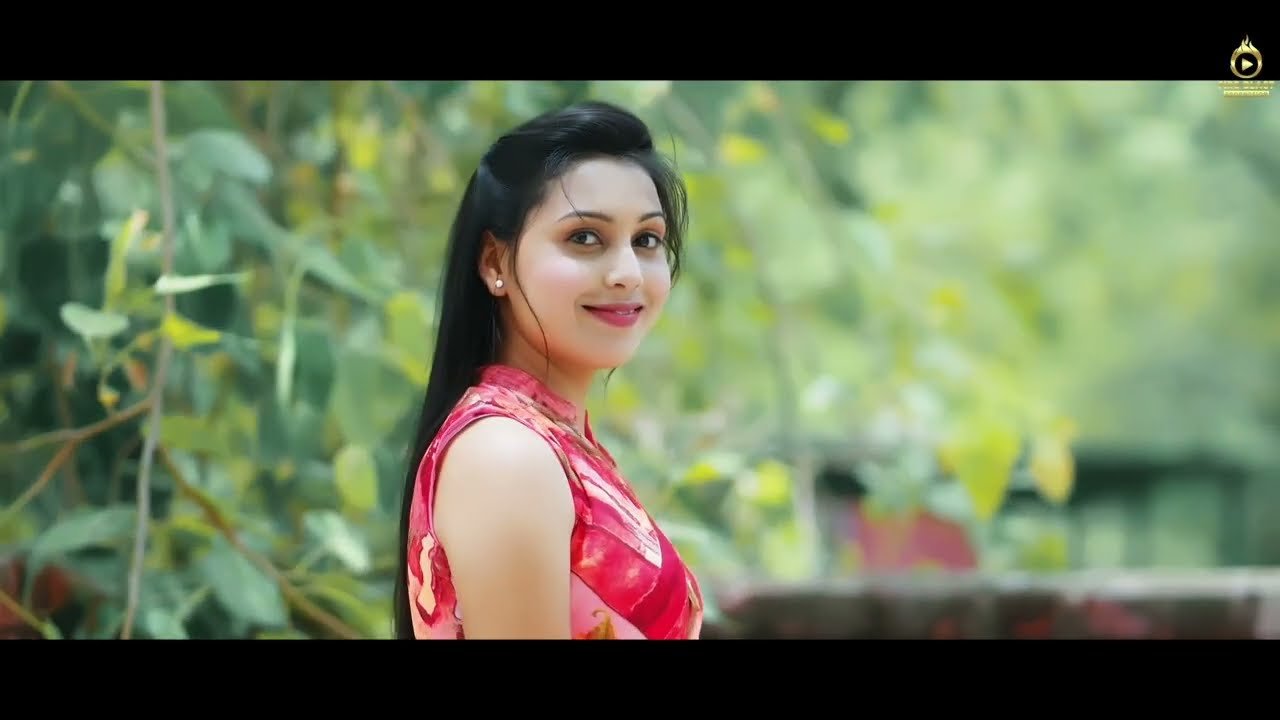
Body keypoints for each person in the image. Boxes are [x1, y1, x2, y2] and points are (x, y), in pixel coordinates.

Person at [392, 101, 704, 639]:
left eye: (646, 240)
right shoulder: (506, 456)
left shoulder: (550, 441)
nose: (628, 273)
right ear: (495, 262)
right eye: (584, 237)